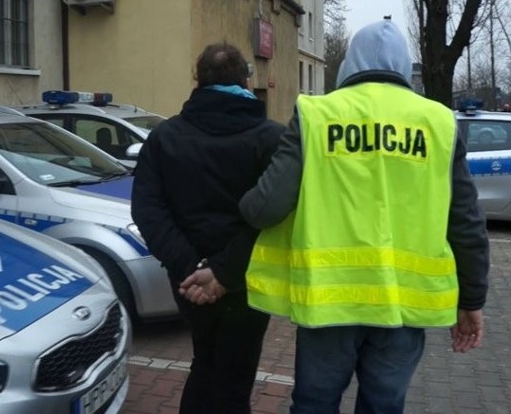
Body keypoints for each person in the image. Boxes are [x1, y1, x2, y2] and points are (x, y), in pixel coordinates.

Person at [238, 20, 490, 414]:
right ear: (405, 67)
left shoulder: (316, 114)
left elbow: (267, 206)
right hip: (402, 307)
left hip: (329, 303)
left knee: (314, 404)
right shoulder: (439, 122)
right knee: (383, 406)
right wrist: (472, 300)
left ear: (349, 63)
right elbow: (466, 221)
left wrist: (243, 205)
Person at [131, 42, 285, 413]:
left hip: (189, 284)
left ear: (198, 80)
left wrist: (192, 268)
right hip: (247, 281)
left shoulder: (164, 137)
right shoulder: (273, 139)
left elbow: (149, 210)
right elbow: (279, 215)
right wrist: (225, 272)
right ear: (246, 81)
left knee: (205, 361)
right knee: (235, 379)